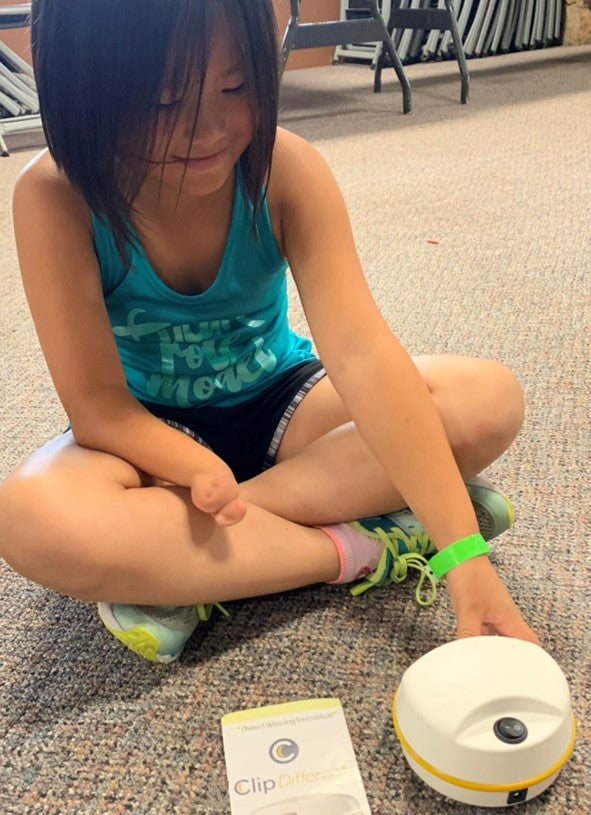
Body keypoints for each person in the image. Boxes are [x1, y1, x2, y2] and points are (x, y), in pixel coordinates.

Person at [0, 0, 540, 664]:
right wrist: (191, 466)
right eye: (165, 103)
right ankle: (360, 545)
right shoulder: (54, 196)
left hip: (283, 399)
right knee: (30, 518)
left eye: (235, 87)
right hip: (147, 432)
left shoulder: (286, 169)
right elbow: (98, 407)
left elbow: (363, 355)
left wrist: (463, 553)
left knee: (486, 399)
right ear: (83, 92)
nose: (209, 130)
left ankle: (189, 564)